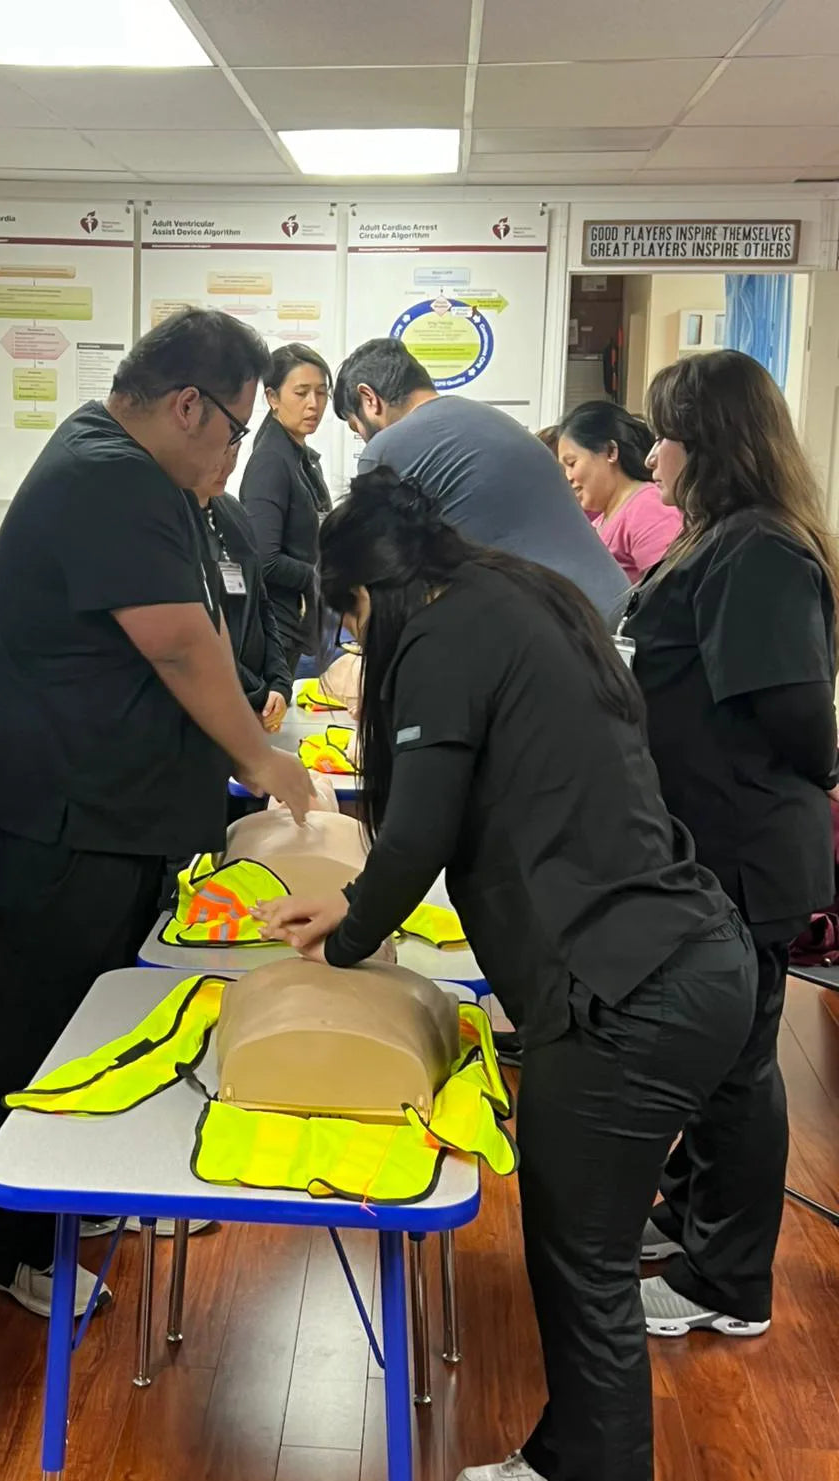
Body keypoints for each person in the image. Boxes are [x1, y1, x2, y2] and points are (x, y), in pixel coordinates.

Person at [258, 467, 757, 1481]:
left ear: (366, 599)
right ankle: (563, 1463)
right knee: (567, 1252)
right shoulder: (518, 593)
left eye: (347, 618)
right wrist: (358, 907)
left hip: (630, 990)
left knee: (582, 1271)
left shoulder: (433, 635)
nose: (351, 637)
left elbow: (421, 827)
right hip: (675, 956)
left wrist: (346, 944)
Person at [0, 309, 314, 1319]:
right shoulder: (105, 473)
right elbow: (179, 645)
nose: (237, 454)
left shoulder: (149, 481)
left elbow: (212, 631)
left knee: (98, 1023)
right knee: (37, 1030)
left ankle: (71, 1198)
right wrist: (262, 761)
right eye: (239, 428)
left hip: (107, 823)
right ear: (189, 404)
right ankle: (10, 1241)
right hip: (51, 828)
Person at [627, 350, 838, 1340]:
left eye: (667, 433)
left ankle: (729, 1284)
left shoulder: (758, 550)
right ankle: (687, 1219)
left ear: (708, 444)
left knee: (738, 1069)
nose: (653, 453)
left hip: (746, 849)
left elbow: (802, 719)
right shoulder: (717, 540)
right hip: (710, 843)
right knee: (715, 1058)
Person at [333, 339, 629, 622]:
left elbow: (377, 576)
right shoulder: (492, 420)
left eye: (355, 426)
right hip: (611, 606)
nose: (362, 437)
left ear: (369, 399)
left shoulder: (386, 447)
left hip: (553, 621)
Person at [239, 343, 333, 672]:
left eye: (321, 393)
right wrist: (321, 575)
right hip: (277, 628)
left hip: (299, 623)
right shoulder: (270, 462)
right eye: (301, 392)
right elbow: (265, 560)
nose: (313, 404)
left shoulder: (301, 457)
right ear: (272, 398)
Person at [197, 443, 292, 734]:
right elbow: (200, 636)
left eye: (234, 453)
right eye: (217, 453)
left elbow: (262, 604)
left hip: (253, 702)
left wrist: (279, 682)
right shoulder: (171, 523)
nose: (226, 466)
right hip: (208, 705)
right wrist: (257, 691)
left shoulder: (233, 511)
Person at [558, 401, 681, 583]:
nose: (567, 477)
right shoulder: (600, 521)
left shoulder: (648, 507)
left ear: (610, 452)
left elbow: (666, 589)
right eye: (563, 469)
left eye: (572, 463)